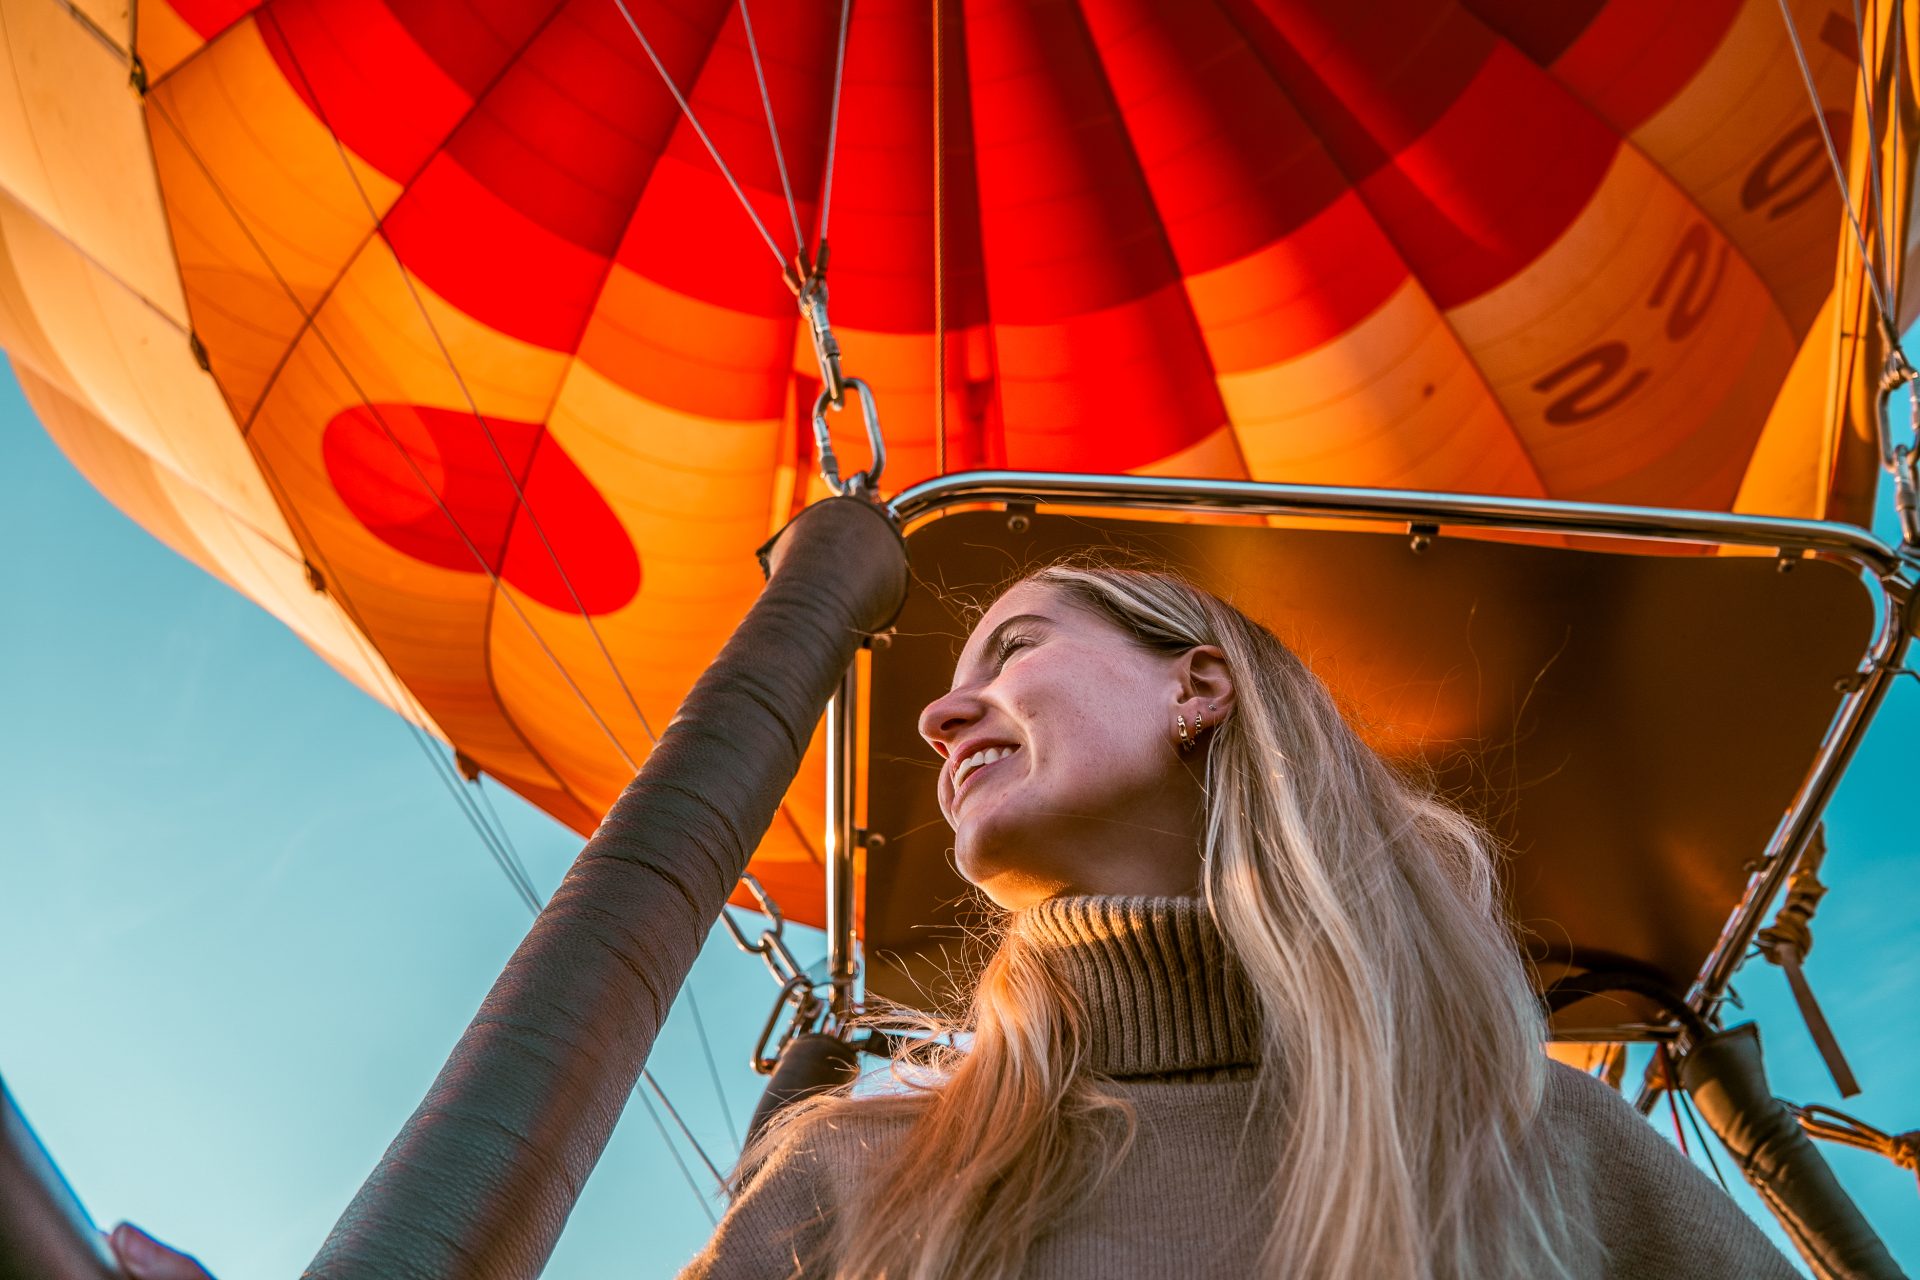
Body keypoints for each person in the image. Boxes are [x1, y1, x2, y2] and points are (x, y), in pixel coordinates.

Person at [680, 561, 1804, 1280]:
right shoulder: (855, 1173)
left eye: (1016, 646)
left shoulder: (1529, 1135)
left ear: (1199, 688)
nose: (937, 714)